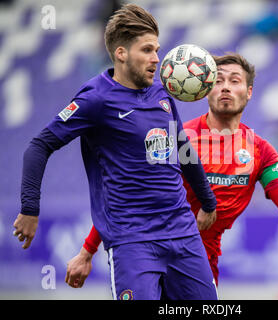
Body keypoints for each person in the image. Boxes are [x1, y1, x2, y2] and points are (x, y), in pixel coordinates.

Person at [65, 53, 278, 289]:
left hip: (201, 265)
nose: (226, 87)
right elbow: (130, 196)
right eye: (219, 80)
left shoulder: (260, 152)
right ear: (204, 89)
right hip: (148, 254)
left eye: (235, 81)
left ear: (249, 92)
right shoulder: (176, 138)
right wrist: (87, 251)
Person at [12, 4, 219, 300]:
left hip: (183, 235)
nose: (157, 59)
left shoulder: (162, 94)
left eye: (157, 50)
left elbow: (183, 148)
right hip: (133, 242)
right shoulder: (95, 99)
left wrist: (207, 201)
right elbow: (39, 145)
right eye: (147, 50)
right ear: (121, 53)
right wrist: (30, 208)